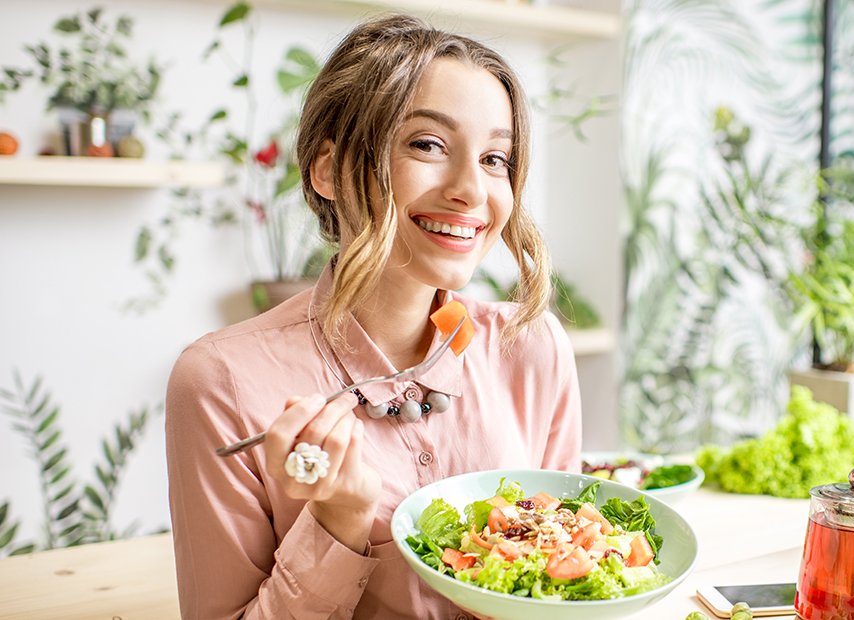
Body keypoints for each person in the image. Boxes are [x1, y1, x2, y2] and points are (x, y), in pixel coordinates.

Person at [165, 14, 582, 619]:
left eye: (496, 158)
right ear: (329, 169)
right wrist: (338, 522)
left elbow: (570, 585)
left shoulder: (531, 347)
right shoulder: (220, 383)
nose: (472, 189)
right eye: (428, 145)